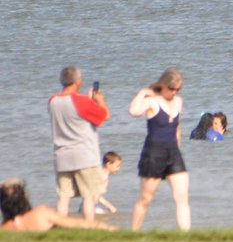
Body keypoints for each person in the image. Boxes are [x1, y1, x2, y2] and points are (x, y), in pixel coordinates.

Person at [128, 67, 190, 231]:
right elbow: (133, 111)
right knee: (145, 199)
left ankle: (186, 238)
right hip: (153, 154)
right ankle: (132, 234)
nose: (174, 92)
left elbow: (177, 128)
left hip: (173, 154)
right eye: (171, 88)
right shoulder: (152, 102)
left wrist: (177, 147)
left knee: (182, 198)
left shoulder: (178, 102)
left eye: (178, 89)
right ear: (162, 85)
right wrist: (142, 93)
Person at [48, 65, 109, 221]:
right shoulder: (81, 101)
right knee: (88, 196)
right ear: (78, 81)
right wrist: (99, 101)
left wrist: (88, 101)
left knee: (63, 197)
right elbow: (104, 115)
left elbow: (73, 114)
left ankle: (61, 227)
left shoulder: (52, 101)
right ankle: (88, 227)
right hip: (85, 156)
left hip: (62, 156)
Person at [1, 178, 114, 232]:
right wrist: (109, 228)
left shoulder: (4, 230)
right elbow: (77, 223)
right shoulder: (40, 213)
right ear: (24, 198)